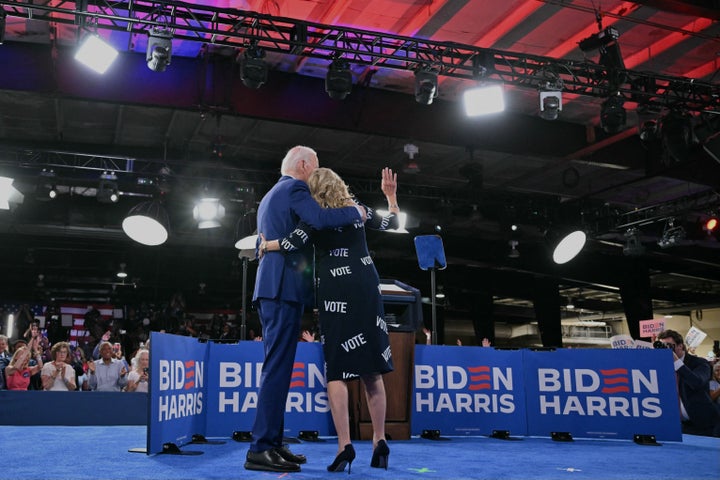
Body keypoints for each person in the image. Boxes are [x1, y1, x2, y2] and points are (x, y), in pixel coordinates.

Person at [259, 166, 398, 472]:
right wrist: (391, 197)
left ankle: (344, 445)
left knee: (337, 371)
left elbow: (292, 242)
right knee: (372, 370)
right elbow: (392, 222)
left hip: (336, 291)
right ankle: (379, 440)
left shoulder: (315, 217)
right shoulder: (357, 210)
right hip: (367, 284)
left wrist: (266, 245)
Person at [244, 145, 366, 473]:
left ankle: (271, 442)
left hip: (276, 287)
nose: (314, 178)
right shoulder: (295, 187)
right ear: (302, 165)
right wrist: (356, 211)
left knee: (279, 368)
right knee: (276, 369)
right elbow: (320, 218)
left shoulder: (272, 194)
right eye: (315, 169)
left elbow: (294, 234)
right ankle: (260, 449)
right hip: (281, 288)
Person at [656, 330, 720, 436]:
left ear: (680, 346)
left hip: (704, 424)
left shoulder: (700, 363)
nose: (666, 350)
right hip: (678, 425)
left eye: (668, 346)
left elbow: (696, 382)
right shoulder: (662, 366)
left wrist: (676, 362)